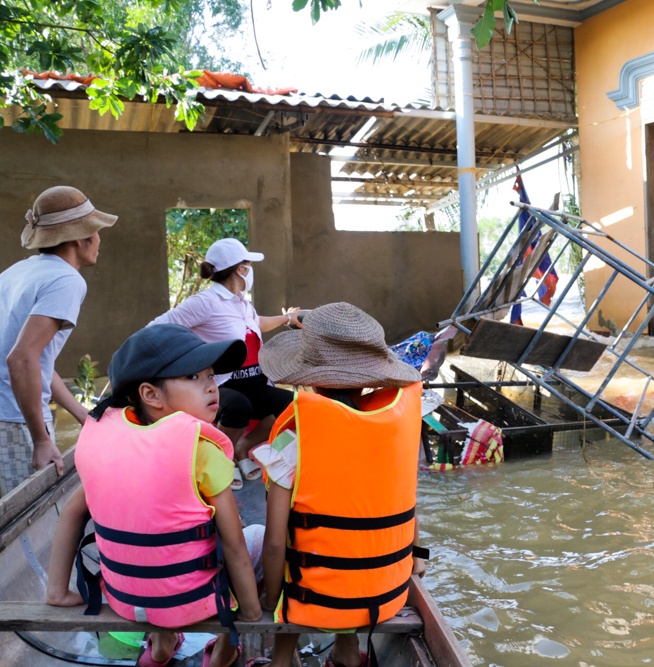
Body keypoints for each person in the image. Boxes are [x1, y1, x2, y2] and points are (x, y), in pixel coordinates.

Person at [44, 324, 263, 667]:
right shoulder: (201, 450)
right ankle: (223, 652)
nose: (210, 385)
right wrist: (250, 612)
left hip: (126, 598)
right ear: (151, 395)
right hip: (189, 601)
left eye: (210, 375)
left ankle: (161, 646)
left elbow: (72, 512)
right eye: (193, 376)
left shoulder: (106, 443)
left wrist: (57, 592)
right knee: (259, 538)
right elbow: (234, 545)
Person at [250, 303, 426, 667]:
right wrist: (416, 560)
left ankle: (282, 658)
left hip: (316, 594)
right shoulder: (396, 430)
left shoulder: (293, 442)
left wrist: (271, 600)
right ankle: (347, 652)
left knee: (273, 546)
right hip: (383, 591)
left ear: (306, 375)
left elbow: (273, 541)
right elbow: (407, 506)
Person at [150, 237, 300, 490]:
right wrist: (185, 366)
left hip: (255, 380)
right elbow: (156, 328)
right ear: (240, 269)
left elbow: (256, 323)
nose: (250, 270)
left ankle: (242, 448)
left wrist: (287, 318)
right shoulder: (205, 302)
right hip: (223, 383)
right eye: (248, 264)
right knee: (238, 407)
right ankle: (223, 461)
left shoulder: (241, 302)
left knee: (291, 407)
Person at [0, 185, 117, 495]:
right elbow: (20, 358)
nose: (100, 239)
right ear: (81, 237)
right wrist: (41, 439)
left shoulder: (18, 272)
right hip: (14, 420)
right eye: (97, 230)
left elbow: (35, 359)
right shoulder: (66, 280)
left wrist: (81, 414)